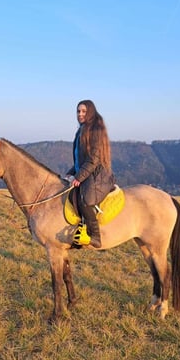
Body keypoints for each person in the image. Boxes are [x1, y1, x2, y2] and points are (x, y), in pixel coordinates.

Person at [63, 99, 116, 248]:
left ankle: (95, 236)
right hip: (88, 172)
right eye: (78, 111)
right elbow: (81, 160)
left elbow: (94, 159)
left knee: (85, 200)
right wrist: (70, 173)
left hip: (97, 176)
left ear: (90, 112)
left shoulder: (95, 130)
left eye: (83, 111)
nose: (80, 114)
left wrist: (79, 177)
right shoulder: (82, 130)